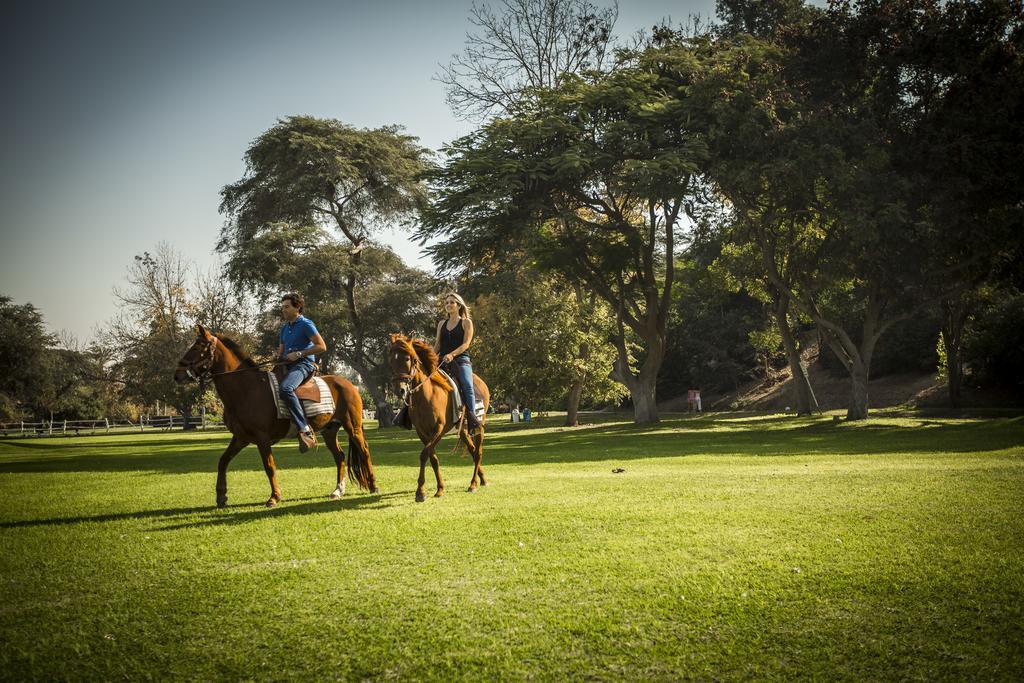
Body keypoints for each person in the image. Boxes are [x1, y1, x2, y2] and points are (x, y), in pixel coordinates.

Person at [277, 292, 327, 452]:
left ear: (297, 307)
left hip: (304, 364)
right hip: (287, 366)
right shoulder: (284, 328)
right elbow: (281, 352)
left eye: (287, 307)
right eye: (282, 307)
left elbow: (321, 346)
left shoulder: (306, 324)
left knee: (286, 388)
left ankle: (305, 429)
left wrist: (299, 354)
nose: (283, 310)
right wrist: (278, 357)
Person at [434, 292, 481, 431]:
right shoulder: (442, 323)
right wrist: (428, 357)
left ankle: (471, 419)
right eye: (447, 302)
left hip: (461, 361)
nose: (448, 305)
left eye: (452, 302)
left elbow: (466, 344)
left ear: (459, 305)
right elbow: (437, 344)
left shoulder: (466, 322)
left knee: (467, 386)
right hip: (441, 361)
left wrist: (452, 354)